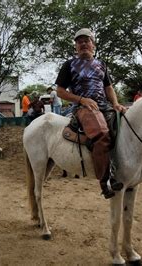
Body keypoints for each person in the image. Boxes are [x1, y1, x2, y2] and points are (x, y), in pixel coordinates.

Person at [55, 28, 126, 199]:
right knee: (102, 134)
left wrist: (115, 104)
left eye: (87, 41)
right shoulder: (69, 65)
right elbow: (60, 91)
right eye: (80, 42)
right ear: (76, 46)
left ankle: (139, 169)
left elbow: (108, 87)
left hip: (105, 106)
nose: (83, 44)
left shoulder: (101, 64)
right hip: (84, 108)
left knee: (132, 126)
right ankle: (105, 181)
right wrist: (81, 100)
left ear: (93, 44)